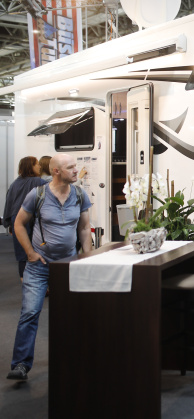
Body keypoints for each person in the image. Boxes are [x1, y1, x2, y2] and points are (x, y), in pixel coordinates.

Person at [6, 153, 92, 381]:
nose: (76, 170)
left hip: (68, 265)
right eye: (71, 167)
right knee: (30, 312)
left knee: (72, 314)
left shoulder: (80, 195)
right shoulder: (38, 194)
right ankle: (21, 364)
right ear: (56, 171)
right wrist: (30, 253)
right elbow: (18, 224)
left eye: (75, 166)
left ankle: (73, 360)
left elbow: (84, 228)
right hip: (39, 265)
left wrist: (87, 257)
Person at [2, 156, 48, 281]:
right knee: (38, 251)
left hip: (16, 221)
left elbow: (9, 203)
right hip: (32, 221)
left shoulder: (15, 183)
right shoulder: (39, 182)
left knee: (22, 254)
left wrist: (9, 223)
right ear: (30, 167)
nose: (39, 166)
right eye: (37, 164)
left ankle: (25, 282)